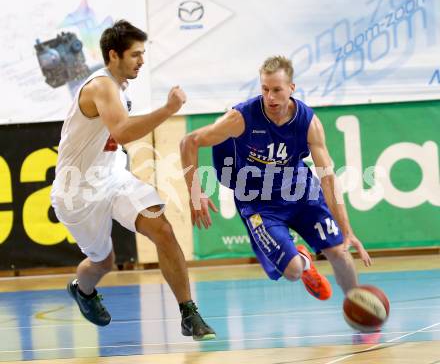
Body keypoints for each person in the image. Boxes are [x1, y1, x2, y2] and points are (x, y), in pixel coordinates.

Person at [50, 20, 215, 341]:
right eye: (135, 54)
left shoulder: (119, 86)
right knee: (102, 262)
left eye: (143, 53)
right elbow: (122, 131)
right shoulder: (101, 86)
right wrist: (169, 109)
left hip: (113, 178)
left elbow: (119, 131)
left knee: (163, 230)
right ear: (114, 55)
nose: (141, 60)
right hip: (77, 192)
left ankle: (188, 313)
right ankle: (82, 290)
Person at [180, 56, 372, 302]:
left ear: (291, 88)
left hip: (299, 190)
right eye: (265, 89)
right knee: (292, 272)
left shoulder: (308, 122)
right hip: (258, 201)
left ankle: (358, 306)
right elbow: (189, 142)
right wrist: (195, 192)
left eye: (277, 90)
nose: (270, 97)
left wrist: (347, 230)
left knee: (339, 251)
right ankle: (304, 264)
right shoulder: (241, 118)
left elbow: (328, 178)